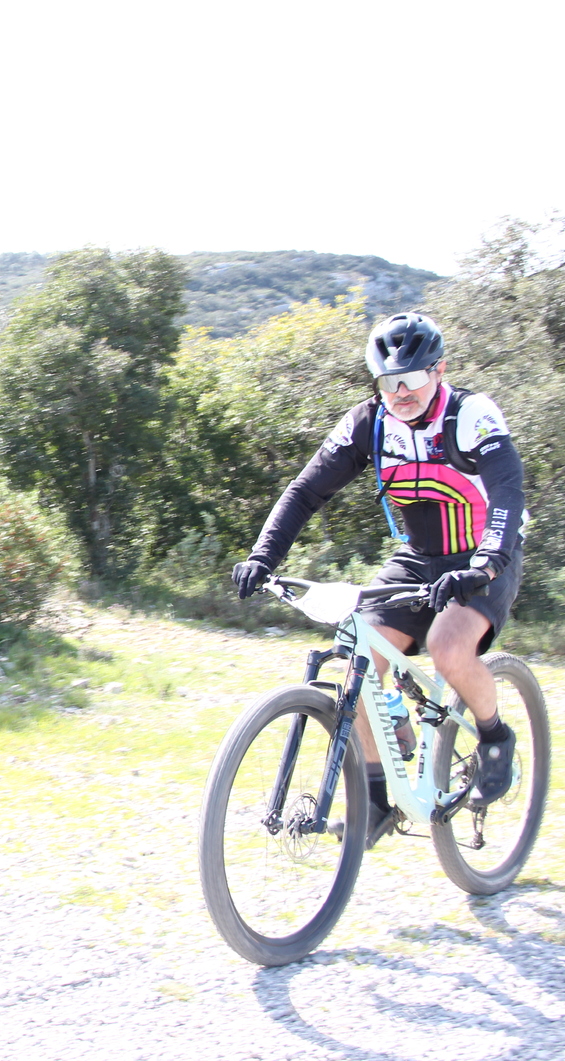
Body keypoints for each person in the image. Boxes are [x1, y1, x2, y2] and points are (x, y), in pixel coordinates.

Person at [230, 312, 526, 847]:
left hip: (483, 553)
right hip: (418, 558)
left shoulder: (471, 416)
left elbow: (507, 490)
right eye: (388, 381)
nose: (400, 392)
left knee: (448, 647)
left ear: (438, 371)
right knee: (357, 665)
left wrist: (485, 564)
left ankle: (495, 736)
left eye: (411, 378)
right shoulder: (368, 422)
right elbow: (306, 491)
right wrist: (263, 556)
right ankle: (374, 801)